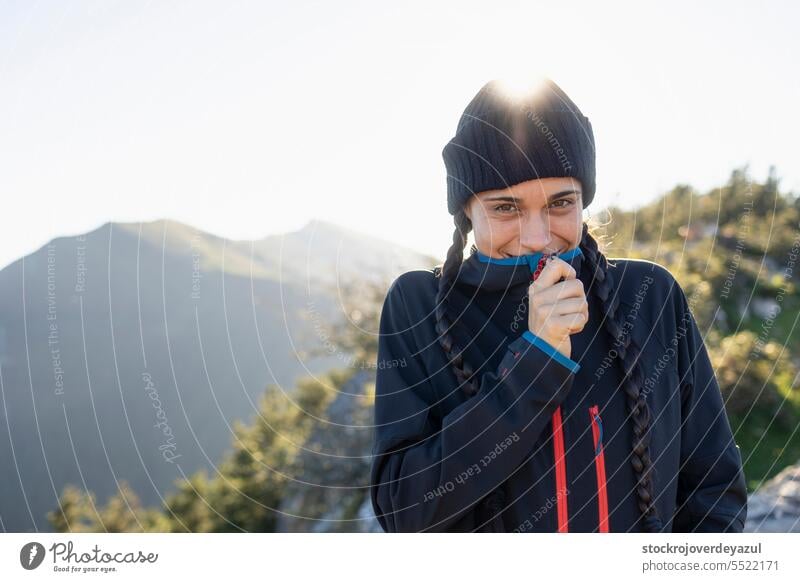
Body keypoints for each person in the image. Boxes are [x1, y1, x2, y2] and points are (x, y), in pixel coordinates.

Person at [369, 77, 747, 533]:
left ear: (584, 200)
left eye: (560, 203)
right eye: (505, 208)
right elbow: (403, 511)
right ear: (465, 210)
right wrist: (535, 360)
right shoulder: (420, 306)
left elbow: (714, 486)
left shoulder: (649, 295)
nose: (537, 236)